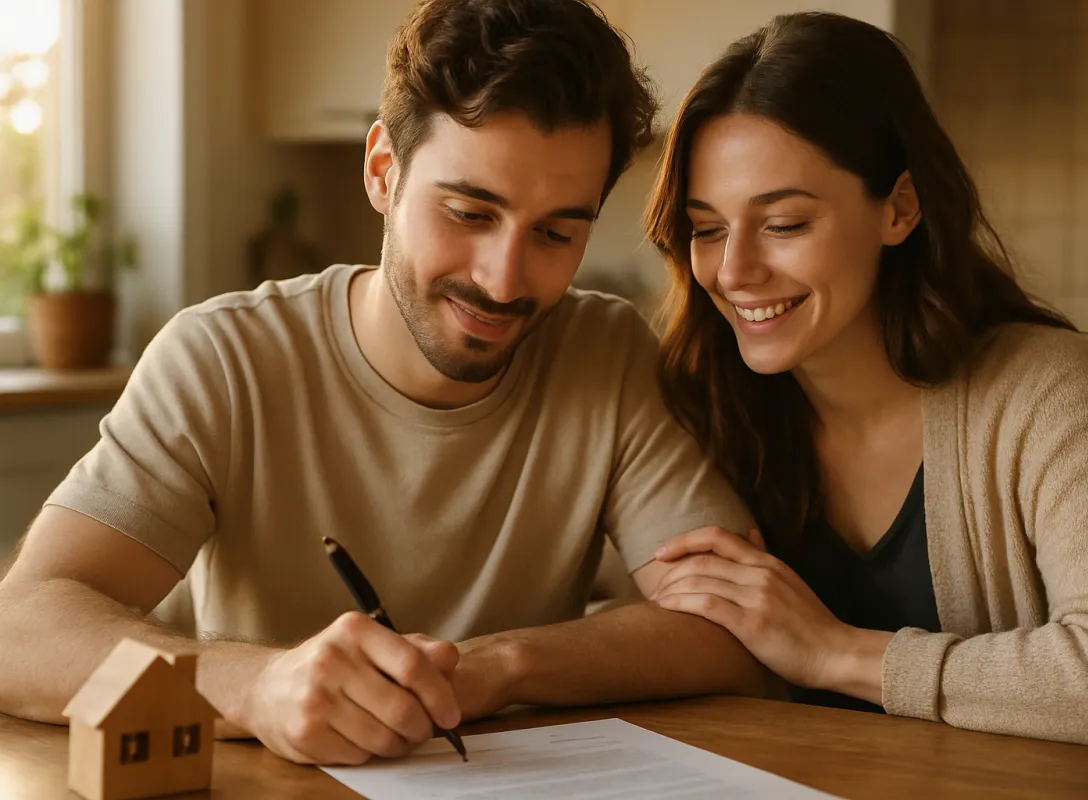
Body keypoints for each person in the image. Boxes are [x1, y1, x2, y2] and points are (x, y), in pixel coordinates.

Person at [0, 0, 774, 766]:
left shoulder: (606, 354)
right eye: (470, 212)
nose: (503, 279)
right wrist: (261, 686)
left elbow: (735, 633)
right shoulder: (222, 361)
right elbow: (18, 630)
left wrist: (488, 669)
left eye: (555, 233)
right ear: (382, 172)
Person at [641, 11, 1088, 750]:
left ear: (899, 208)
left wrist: (832, 650)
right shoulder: (701, 401)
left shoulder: (1044, 392)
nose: (733, 272)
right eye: (707, 228)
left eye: (785, 224)